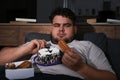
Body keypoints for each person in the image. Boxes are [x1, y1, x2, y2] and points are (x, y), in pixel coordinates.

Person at [29, 8, 117, 80]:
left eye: (67, 25)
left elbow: (111, 77)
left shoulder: (87, 46)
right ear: (51, 29)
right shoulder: (38, 45)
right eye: (56, 25)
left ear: (75, 29)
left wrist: (81, 67)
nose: (61, 29)